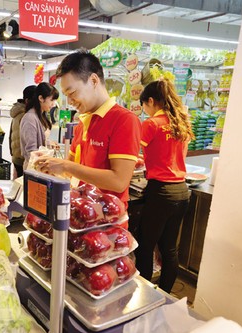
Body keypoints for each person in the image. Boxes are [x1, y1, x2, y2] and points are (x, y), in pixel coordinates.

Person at [35, 50, 141, 213]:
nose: (70, 102)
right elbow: (74, 173)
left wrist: (65, 166)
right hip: (81, 214)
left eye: (72, 93)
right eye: (66, 95)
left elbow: (119, 181)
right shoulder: (83, 122)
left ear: (93, 80)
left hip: (106, 222)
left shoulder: (124, 120)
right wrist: (52, 168)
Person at [134, 78, 194, 294]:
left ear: (151, 101)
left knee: (145, 246)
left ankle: (144, 295)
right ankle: (165, 294)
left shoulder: (151, 124)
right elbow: (171, 155)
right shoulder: (182, 122)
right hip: (182, 191)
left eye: (144, 106)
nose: (145, 110)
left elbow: (131, 154)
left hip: (160, 192)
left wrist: (139, 160)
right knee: (169, 248)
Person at [20, 82, 59, 170]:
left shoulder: (41, 116)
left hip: (39, 167)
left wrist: (49, 144)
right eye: (52, 100)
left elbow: (40, 142)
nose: (54, 104)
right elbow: (31, 150)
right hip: (33, 168)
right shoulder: (30, 118)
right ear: (41, 98)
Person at [9, 85, 35, 178]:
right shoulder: (26, 115)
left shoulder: (19, 113)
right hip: (22, 158)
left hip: (17, 156)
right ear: (27, 101)